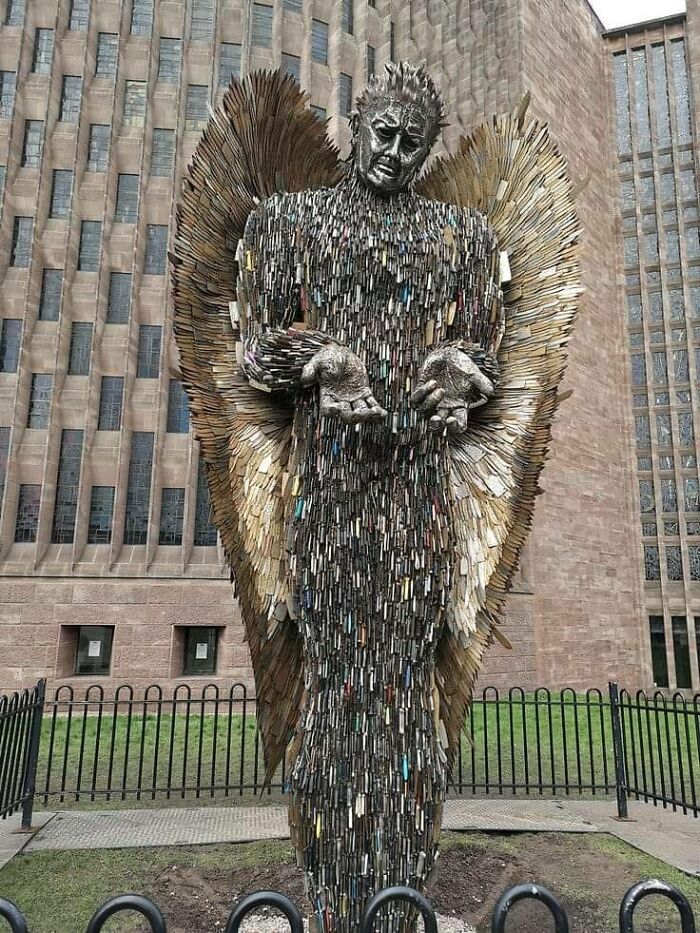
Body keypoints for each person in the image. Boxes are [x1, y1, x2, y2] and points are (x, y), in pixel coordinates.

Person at [238, 62, 504, 932]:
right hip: (331, 497)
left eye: (411, 142)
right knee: (336, 687)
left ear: (429, 148)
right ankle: (332, 899)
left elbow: (485, 361)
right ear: (359, 124)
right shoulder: (290, 223)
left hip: (418, 501)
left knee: (403, 691)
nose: (393, 153)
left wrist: (460, 372)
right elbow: (254, 348)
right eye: (382, 133)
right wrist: (321, 358)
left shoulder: (460, 240)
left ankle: (399, 896)